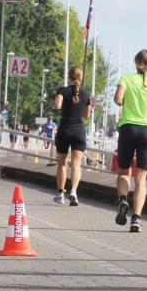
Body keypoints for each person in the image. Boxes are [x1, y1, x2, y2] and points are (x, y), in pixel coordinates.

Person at [113, 50, 147, 232]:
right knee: (141, 178)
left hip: (128, 128)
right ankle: (136, 218)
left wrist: (125, 102)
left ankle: (122, 200)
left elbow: (118, 99)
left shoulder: (126, 79)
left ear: (136, 63)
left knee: (123, 172)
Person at [53, 66, 92, 206]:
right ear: (81, 78)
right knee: (76, 165)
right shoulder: (86, 95)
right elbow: (86, 115)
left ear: (69, 76)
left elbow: (57, 106)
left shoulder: (62, 90)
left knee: (62, 163)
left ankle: (60, 194)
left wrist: (59, 99)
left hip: (64, 129)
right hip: (79, 131)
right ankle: (74, 191)